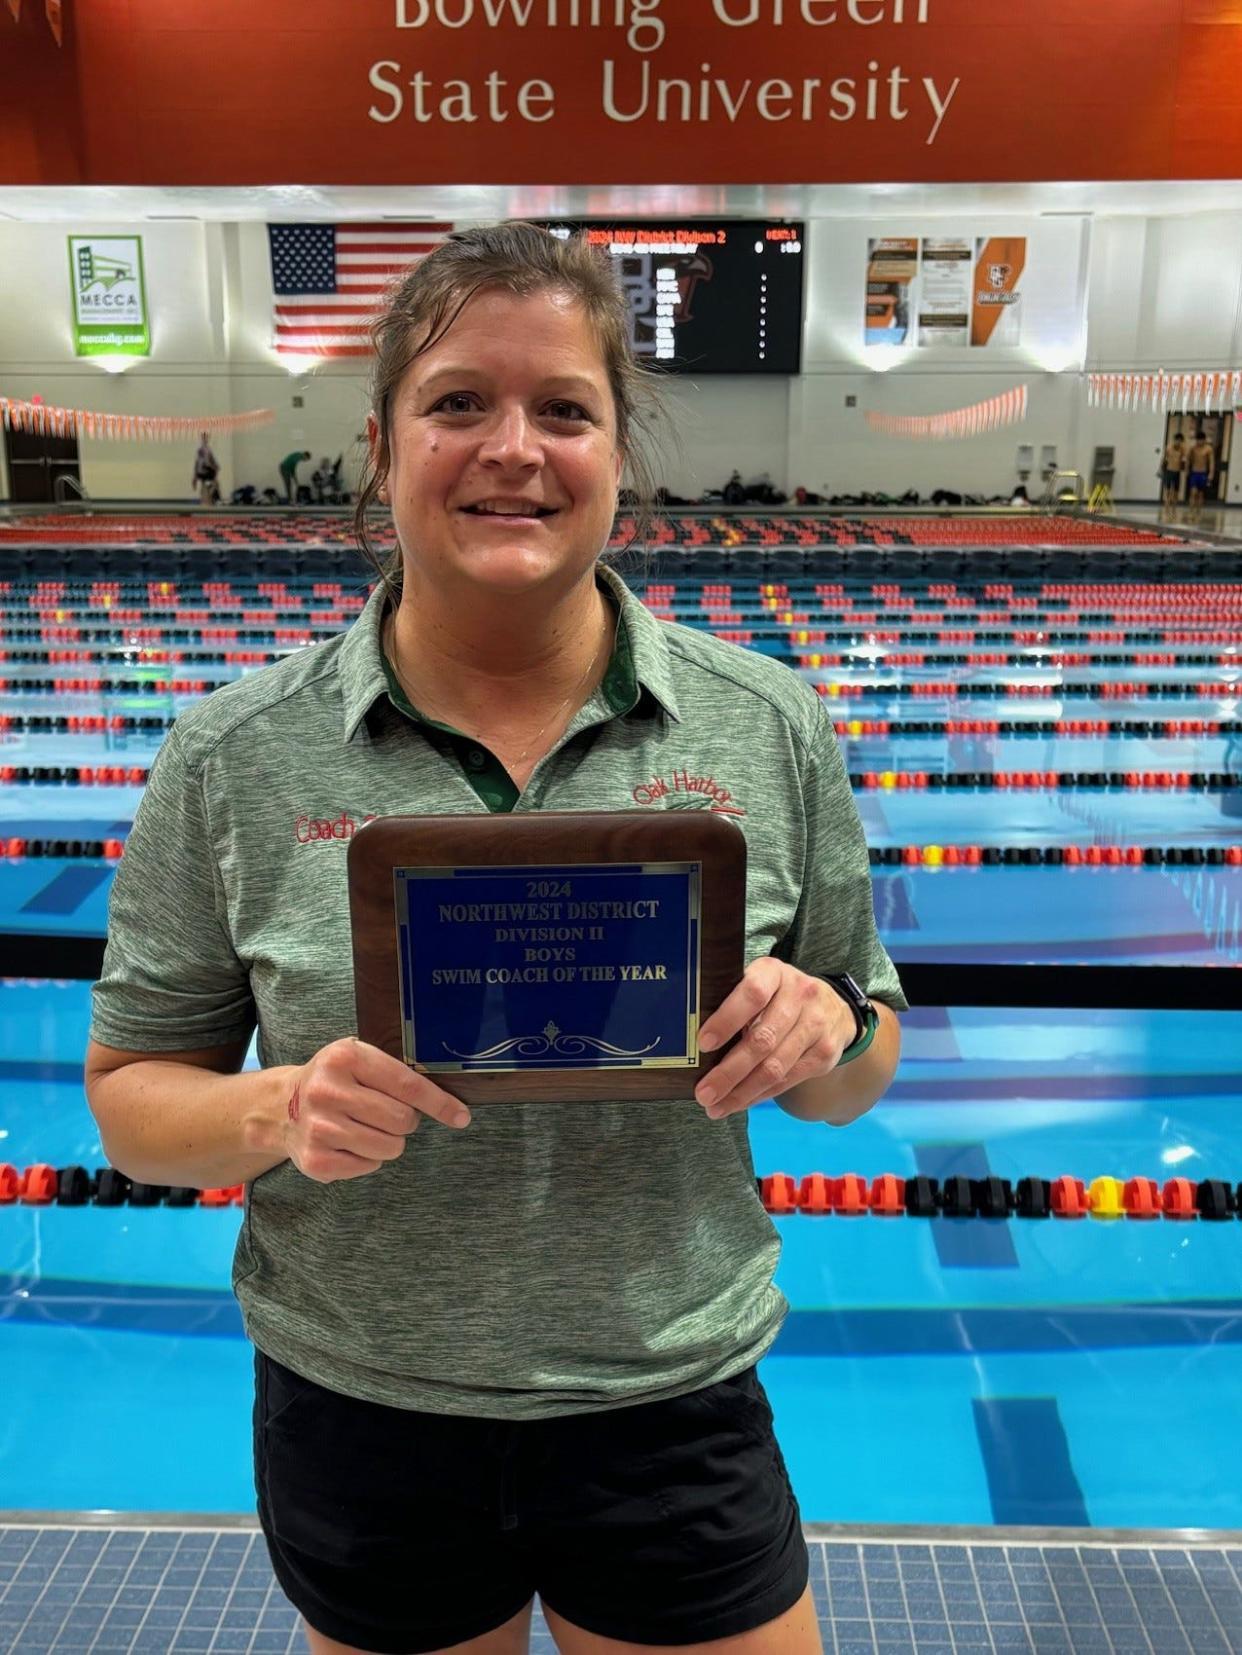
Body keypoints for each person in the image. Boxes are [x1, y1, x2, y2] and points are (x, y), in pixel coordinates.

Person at [84, 223, 905, 1655]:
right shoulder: (232, 755)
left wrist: (825, 1028)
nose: (511, 447)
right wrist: (280, 1105)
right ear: (383, 442)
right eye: (458, 400)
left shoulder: (766, 722)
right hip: (365, 1404)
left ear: (616, 454)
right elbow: (135, 1106)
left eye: (563, 409)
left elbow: (859, 1054)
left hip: (668, 1395)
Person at [1186, 428, 1215, 522]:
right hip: (1194, 473)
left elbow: (1211, 462)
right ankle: (1191, 511)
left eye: (1201, 440)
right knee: (1193, 492)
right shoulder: (1193, 448)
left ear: (1204, 440)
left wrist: (1211, 474)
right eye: (1198, 440)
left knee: (1200, 494)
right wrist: (1187, 470)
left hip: (1203, 473)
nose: (1200, 442)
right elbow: (1188, 459)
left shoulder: (1208, 449)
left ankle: (1198, 511)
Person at [1160, 432, 1185, 517]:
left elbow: (1183, 460)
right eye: (1177, 440)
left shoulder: (1182, 449)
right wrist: (1161, 469)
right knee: (1167, 491)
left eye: (1180, 441)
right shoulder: (1169, 448)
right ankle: (1166, 507)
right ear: (1174, 440)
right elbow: (1164, 459)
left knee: (1175, 492)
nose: (1178, 442)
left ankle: (1174, 508)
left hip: (1177, 472)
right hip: (1169, 471)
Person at [192, 430, 219, 506]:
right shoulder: (201, 449)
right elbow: (199, 461)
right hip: (204, 470)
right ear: (202, 438)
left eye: (206, 437)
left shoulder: (208, 448)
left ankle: (208, 499)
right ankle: (205, 500)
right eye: (204, 437)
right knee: (208, 485)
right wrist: (195, 476)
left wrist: (215, 466)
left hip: (206, 469)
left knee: (211, 485)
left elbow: (211, 459)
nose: (206, 439)